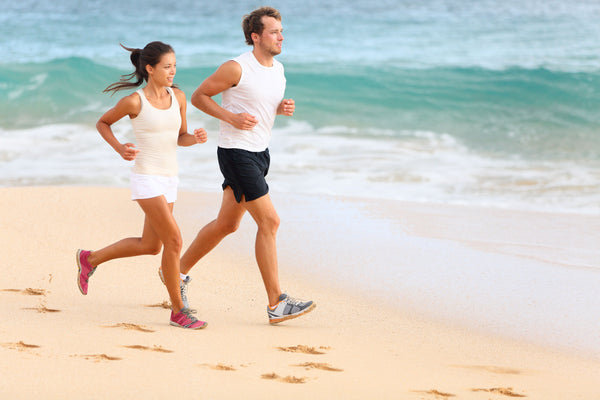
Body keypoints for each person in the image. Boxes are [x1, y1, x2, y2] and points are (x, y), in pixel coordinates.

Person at [167, 7, 315, 324]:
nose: (281, 36)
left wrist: (280, 107)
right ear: (255, 36)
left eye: (281, 30)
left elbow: (261, 104)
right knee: (270, 222)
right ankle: (276, 303)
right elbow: (199, 96)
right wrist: (231, 117)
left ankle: (175, 273)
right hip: (236, 153)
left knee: (227, 224)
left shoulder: (278, 70)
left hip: (260, 152)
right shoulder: (236, 67)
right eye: (274, 31)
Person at [76, 41, 208, 330]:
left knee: (151, 245)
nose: (173, 71)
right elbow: (103, 123)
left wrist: (195, 138)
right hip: (146, 177)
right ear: (150, 68)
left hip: (169, 178)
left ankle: (90, 258)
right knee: (174, 241)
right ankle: (178, 311)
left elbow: (180, 137)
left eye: (174, 65)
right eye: (167, 67)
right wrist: (119, 148)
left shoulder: (179, 97)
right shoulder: (135, 101)